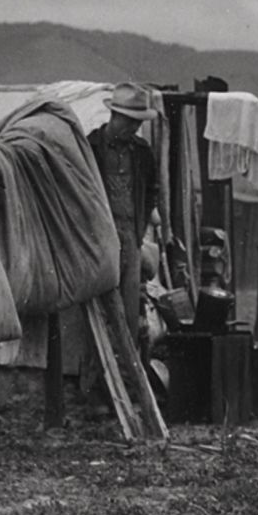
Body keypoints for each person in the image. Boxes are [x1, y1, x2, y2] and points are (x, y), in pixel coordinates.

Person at [87, 83, 161, 353]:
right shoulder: (91, 147)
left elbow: (152, 190)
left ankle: (128, 373)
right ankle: (98, 379)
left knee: (129, 309)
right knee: (100, 309)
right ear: (115, 116)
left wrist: (139, 228)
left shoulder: (141, 152)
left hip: (130, 235)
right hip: (100, 238)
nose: (133, 129)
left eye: (137, 124)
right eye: (130, 122)